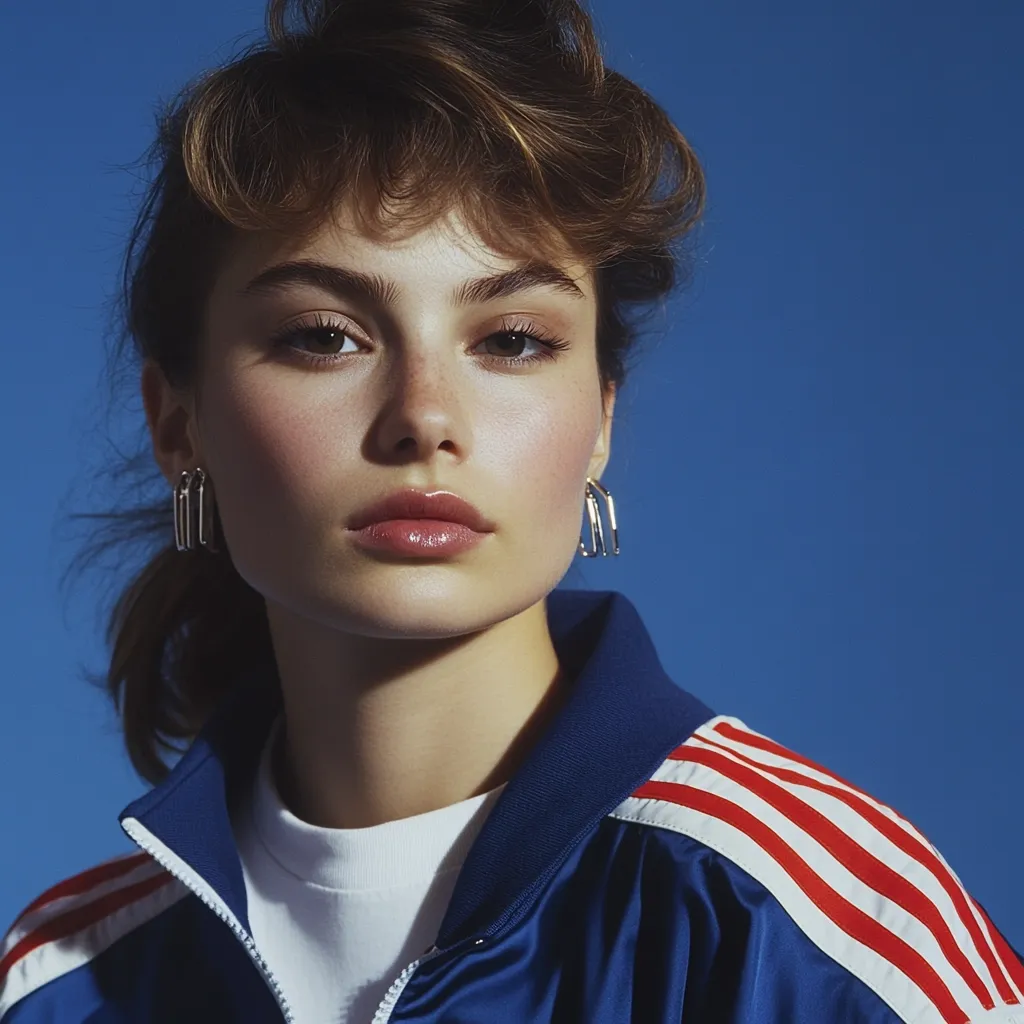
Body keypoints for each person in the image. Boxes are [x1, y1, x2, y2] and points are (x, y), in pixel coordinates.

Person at [1, 0, 1021, 1021]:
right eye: (325, 334)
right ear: (176, 421)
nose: (424, 418)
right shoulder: (53, 982)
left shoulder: (811, 936)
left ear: (601, 421)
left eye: (513, 340)